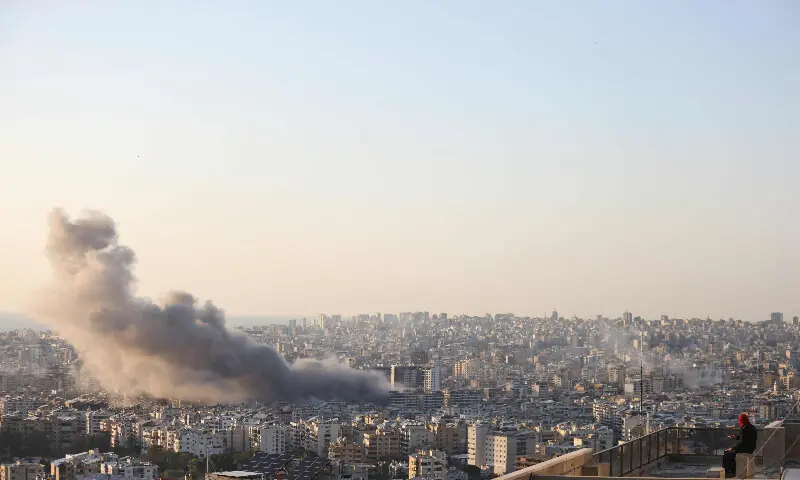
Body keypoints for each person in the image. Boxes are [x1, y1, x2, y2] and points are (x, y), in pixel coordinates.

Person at [723, 413, 757, 477]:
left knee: (727, 454)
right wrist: (735, 437)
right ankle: (733, 470)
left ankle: (729, 472)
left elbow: (741, 442)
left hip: (745, 448)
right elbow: (745, 438)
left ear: (741, 420)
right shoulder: (752, 427)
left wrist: (732, 448)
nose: (738, 422)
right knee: (730, 454)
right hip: (751, 448)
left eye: (739, 420)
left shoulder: (744, 428)